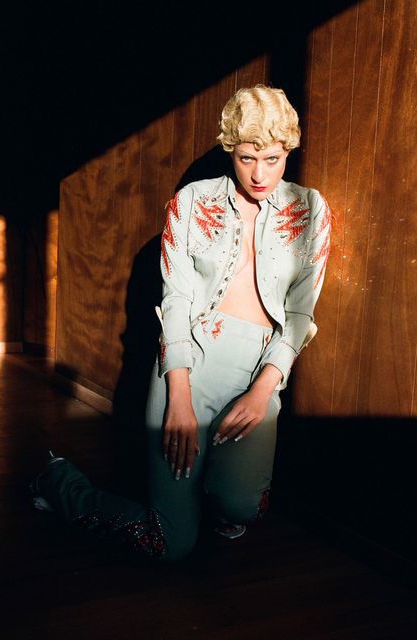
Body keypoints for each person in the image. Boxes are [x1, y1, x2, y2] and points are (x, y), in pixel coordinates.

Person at [30, 85, 331, 564]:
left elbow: (299, 314)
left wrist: (263, 390)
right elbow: (176, 300)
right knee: (169, 542)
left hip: (261, 369)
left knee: (243, 505)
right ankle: (59, 481)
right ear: (230, 150)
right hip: (191, 361)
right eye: (247, 158)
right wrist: (179, 395)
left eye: (272, 159)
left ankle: (216, 496)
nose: (259, 174)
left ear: (288, 151)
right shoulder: (191, 201)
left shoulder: (310, 209)